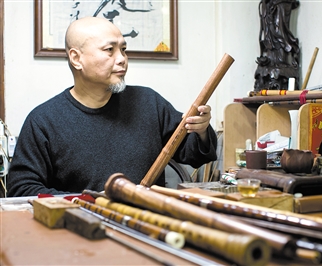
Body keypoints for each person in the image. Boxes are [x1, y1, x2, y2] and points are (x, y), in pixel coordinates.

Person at [7, 17, 217, 197]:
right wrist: (91, 202)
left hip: (145, 226)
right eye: (110, 50)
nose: (122, 59)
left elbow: (193, 154)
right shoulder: (43, 121)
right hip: (78, 229)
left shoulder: (148, 102)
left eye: (123, 49)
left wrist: (201, 132)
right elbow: (22, 189)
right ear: (76, 58)